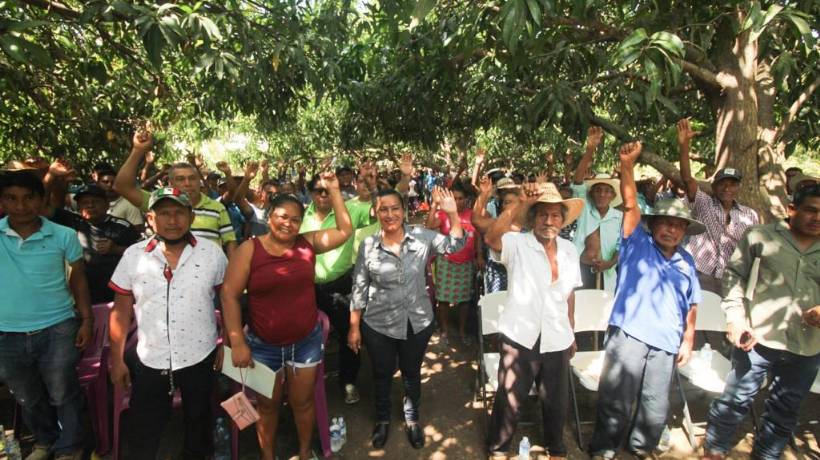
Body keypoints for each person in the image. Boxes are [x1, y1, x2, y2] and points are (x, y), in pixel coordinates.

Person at [221, 172, 353, 460]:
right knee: (268, 407)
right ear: (269, 216)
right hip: (262, 345)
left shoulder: (307, 245)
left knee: (302, 403)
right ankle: (268, 456)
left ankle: (305, 453)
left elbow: (345, 230)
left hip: (305, 342)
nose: (288, 223)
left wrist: (333, 190)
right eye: (282, 216)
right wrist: (237, 342)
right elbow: (229, 295)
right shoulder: (249, 250)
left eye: (295, 219)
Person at [589, 142, 704, 459]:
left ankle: (640, 446)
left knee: (655, 405)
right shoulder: (637, 242)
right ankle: (604, 448)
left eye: (679, 225)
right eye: (666, 222)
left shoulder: (686, 262)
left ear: (685, 231)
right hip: (629, 334)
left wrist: (688, 338)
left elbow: (692, 302)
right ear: (653, 225)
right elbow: (630, 204)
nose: (672, 229)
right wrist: (627, 166)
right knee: (616, 398)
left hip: (666, 342)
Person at [108, 187, 227, 460]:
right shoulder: (133, 256)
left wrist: (228, 343)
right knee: (144, 429)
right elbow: (121, 309)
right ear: (151, 218)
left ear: (191, 216)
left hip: (200, 354)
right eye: (164, 213)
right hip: (151, 357)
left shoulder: (212, 254)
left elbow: (227, 300)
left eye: (179, 213)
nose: (172, 221)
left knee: (198, 423)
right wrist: (117, 359)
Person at [702, 184, 820, 460]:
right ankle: (714, 451)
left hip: (806, 346)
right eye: (811, 210)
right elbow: (733, 276)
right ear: (792, 209)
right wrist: (736, 319)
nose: (817, 218)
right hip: (756, 338)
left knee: (785, 408)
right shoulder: (760, 237)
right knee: (734, 400)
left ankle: (766, 455)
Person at [348, 187, 465, 450]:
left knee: (412, 373)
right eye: (383, 209)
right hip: (378, 324)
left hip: (418, 321)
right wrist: (354, 327)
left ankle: (412, 420)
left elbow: (455, 244)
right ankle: (382, 420)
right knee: (381, 374)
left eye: (395, 208)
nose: (390, 214)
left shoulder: (422, 236)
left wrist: (453, 215)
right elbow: (359, 287)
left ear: (404, 210)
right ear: (375, 212)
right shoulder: (368, 245)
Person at [483, 182, 584, 460]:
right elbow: (491, 238)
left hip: (557, 335)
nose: (548, 221)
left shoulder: (569, 250)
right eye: (542, 215)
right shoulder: (518, 243)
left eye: (555, 216)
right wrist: (518, 203)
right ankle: (499, 448)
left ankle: (557, 449)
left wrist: (571, 330)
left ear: (563, 221)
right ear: (533, 218)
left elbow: (569, 293)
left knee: (556, 400)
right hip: (520, 334)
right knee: (510, 399)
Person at [0, 170, 92, 460]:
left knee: (62, 391)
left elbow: (78, 280)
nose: (20, 206)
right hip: (6, 332)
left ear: (42, 200)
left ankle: (70, 446)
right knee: (27, 396)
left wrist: (87, 320)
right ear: (2, 202)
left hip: (58, 327)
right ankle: (44, 441)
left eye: (28, 198)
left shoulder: (63, 235)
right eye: (11, 199)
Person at [299, 165, 377, 405]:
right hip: (306, 289)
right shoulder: (299, 216)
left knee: (350, 334)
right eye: (318, 191)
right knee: (304, 335)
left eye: (327, 191)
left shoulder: (350, 210)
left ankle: (348, 381)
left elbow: (376, 212)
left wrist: (373, 188)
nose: (323, 196)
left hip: (341, 286)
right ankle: (305, 384)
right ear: (311, 193)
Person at [114, 129, 237, 258]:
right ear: (171, 183)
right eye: (180, 179)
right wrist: (138, 150)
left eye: (192, 178)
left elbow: (230, 244)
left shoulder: (217, 208)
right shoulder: (156, 202)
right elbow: (122, 186)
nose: (187, 183)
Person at [678, 118, 759, 294]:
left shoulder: (749, 215)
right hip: (699, 272)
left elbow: (752, 248)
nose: (727, 188)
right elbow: (687, 179)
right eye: (722, 183)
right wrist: (684, 145)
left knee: (722, 318)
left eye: (732, 184)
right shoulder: (703, 203)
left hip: (731, 276)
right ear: (714, 186)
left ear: (738, 187)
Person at [425, 179, 483, 345]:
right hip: (446, 261)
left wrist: (479, 255)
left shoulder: (473, 214)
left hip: (467, 262)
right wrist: (435, 205)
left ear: (466, 199)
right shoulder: (443, 214)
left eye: (460, 198)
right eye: (454, 198)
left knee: (464, 300)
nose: (457, 201)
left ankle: (463, 331)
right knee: (443, 299)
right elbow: (429, 226)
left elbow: (478, 236)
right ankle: (444, 331)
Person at [69, 184, 140, 304]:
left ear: (107, 204)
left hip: (120, 294)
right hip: (86, 297)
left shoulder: (123, 226)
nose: (90, 205)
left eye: (95, 201)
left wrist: (116, 249)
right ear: (78, 207)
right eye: (84, 202)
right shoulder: (72, 227)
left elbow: (144, 255)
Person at [571, 126, 623, 291]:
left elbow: (622, 246)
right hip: (581, 269)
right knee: (581, 309)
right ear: (592, 194)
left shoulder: (618, 217)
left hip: (607, 273)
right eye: (598, 190)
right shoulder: (584, 208)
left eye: (607, 191)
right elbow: (578, 180)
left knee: (602, 312)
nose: (602, 194)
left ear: (613, 196)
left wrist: (610, 263)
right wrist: (590, 149)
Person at [472, 176, 521, 293]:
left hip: (520, 280)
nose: (510, 206)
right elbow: (476, 221)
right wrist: (484, 194)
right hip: (497, 280)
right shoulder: (495, 223)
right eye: (506, 202)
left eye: (514, 202)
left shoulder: (529, 227)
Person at [95, 166, 145, 231]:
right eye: (105, 182)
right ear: (98, 184)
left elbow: (137, 230)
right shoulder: (93, 204)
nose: (109, 185)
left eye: (113, 182)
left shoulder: (130, 203)